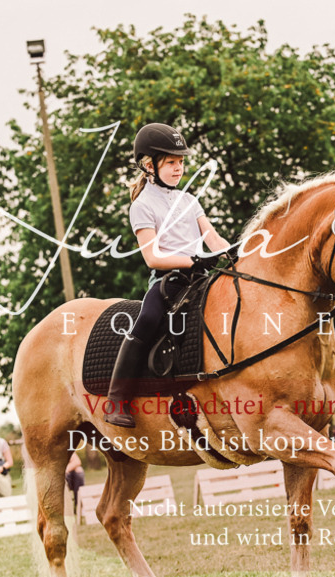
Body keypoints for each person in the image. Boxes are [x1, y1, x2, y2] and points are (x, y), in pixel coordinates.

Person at [105, 122, 232, 428]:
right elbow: (153, 256)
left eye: (182, 162)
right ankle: (116, 398)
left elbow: (212, 237)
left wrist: (234, 252)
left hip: (202, 276)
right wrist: (193, 260)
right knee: (147, 319)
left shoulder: (189, 200)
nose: (179, 169)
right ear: (149, 165)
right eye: (172, 162)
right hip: (168, 283)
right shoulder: (142, 205)